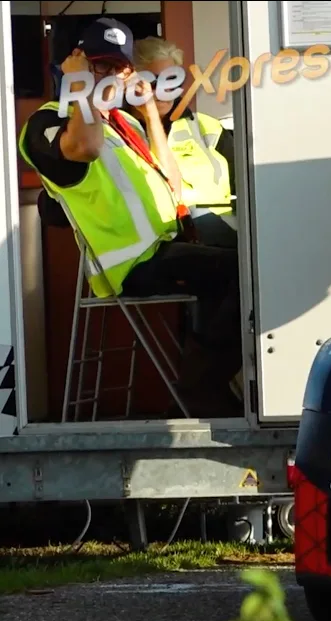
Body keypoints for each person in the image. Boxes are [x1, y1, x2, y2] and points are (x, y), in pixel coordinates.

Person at [19, 18, 243, 418]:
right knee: (241, 274)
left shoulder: (122, 123)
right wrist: (78, 85)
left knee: (247, 271)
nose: (108, 76)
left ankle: (207, 393)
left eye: (118, 67)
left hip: (165, 248)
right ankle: (201, 392)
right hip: (131, 263)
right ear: (76, 63)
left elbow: (173, 183)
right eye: (98, 65)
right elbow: (85, 149)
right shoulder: (49, 120)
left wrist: (149, 113)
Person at [131, 36, 239, 251]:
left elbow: (250, 187)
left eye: (172, 80)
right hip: (162, 246)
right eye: (153, 82)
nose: (163, 90)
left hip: (226, 240)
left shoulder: (206, 127)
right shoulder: (118, 133)